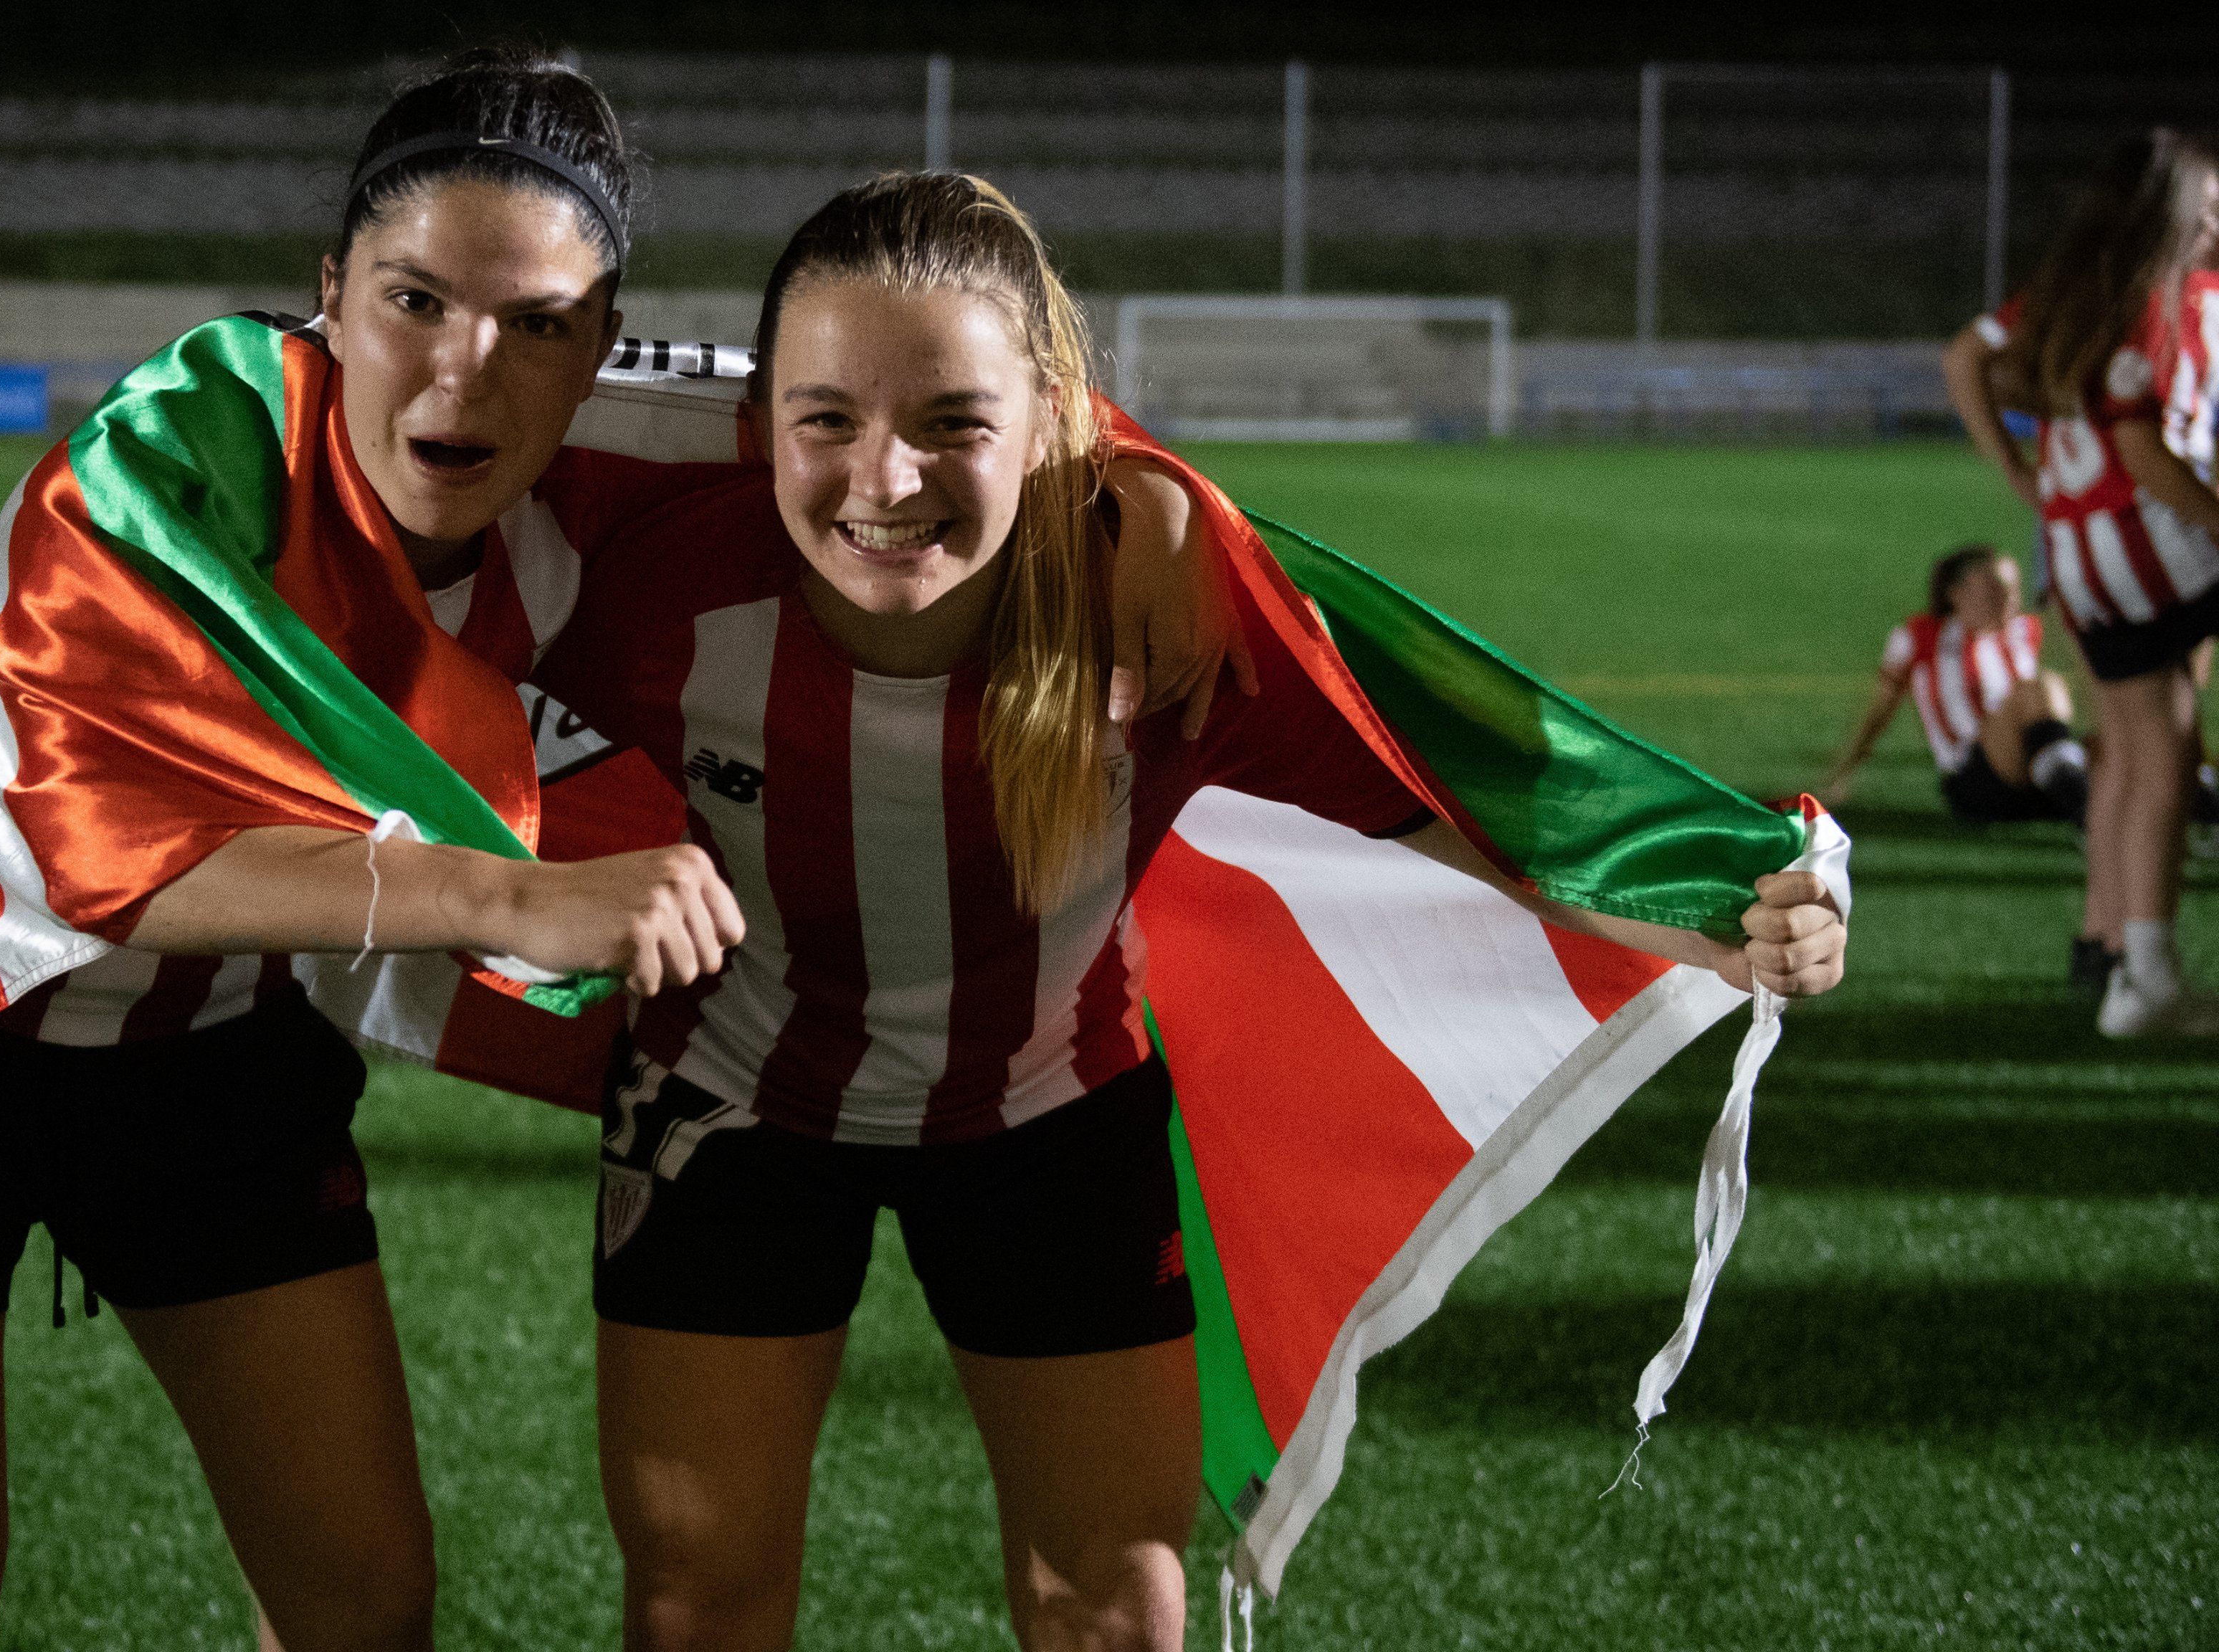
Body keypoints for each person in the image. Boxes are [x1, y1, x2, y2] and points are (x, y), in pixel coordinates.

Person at [0, 51, 1227, 1652]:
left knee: (367, 1608)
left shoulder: (619, 447)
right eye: (412, 301)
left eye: (538, 326)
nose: (463, 373)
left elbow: (934, 390)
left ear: (601, 344)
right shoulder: (177, 457)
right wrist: (506, 901)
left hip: (208, 1055)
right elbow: (78, 842)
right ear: (328, 297)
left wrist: (1150, 495)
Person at [533, 172, 1848, 1652]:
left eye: (953, 424)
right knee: (695, 1602)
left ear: (1052, 422)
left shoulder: (1158, 602)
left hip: (1051, 1122)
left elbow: (1449, 803)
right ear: (756, 414)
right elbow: (364, 562)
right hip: (726, 1118)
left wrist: (1726, 920)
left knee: (1111, 1609)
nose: (881, 479)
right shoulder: (641, 578)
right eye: (824, 418)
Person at [1944, 128, 2219, 1035]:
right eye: (2209, 199)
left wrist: (2020, 475)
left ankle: (2109, 952)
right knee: (2164, 756)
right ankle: (2142, 972)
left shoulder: (2074, 290)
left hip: (2081, 552)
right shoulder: (2155, 294)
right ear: (2174, 212)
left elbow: (1964, 357)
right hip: (2146, 553)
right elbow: (2142, 444)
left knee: (2137, 754)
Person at [1823, 543, 2091, 826]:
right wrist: (1843, 773)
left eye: (2014, 588)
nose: (2011, 598)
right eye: (1997, 588)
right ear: (1957, 594)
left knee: (2110, 739)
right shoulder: (1919, 637)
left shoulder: (2024, 630)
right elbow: (1879, 713)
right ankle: (2081, 805)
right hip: (1973, 780)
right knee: (2038, 686)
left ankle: (2076, 799)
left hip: (2030, 768)